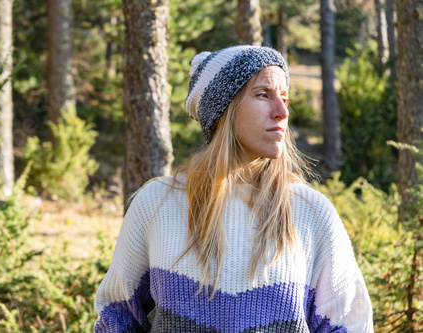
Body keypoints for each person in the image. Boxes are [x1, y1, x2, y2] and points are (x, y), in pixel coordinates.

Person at [94, 45, 373, 332]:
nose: (281, 112)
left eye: (284, 98)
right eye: (263, 94)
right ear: (223, 109)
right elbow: (116, 317)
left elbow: (349, 324)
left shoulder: (311, 212)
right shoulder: (157, 204)